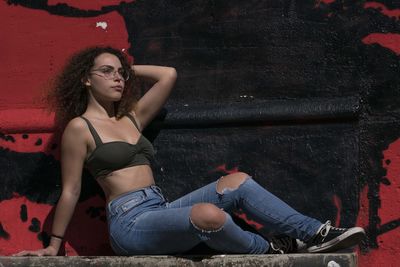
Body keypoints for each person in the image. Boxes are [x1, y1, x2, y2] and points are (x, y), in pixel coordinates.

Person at [14, 46, 365, 256]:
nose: (117, 78)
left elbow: (168, 75)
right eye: (106, 73)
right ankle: (269, 251)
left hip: (159, 206)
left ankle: (315, 233)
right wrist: (53, 243)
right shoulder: (80, 127)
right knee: (207, 216)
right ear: (85, 79)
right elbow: (72, 189)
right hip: (130, 223)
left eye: (120, 73)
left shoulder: (131, 118)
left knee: (237, 182)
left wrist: (124, 68)